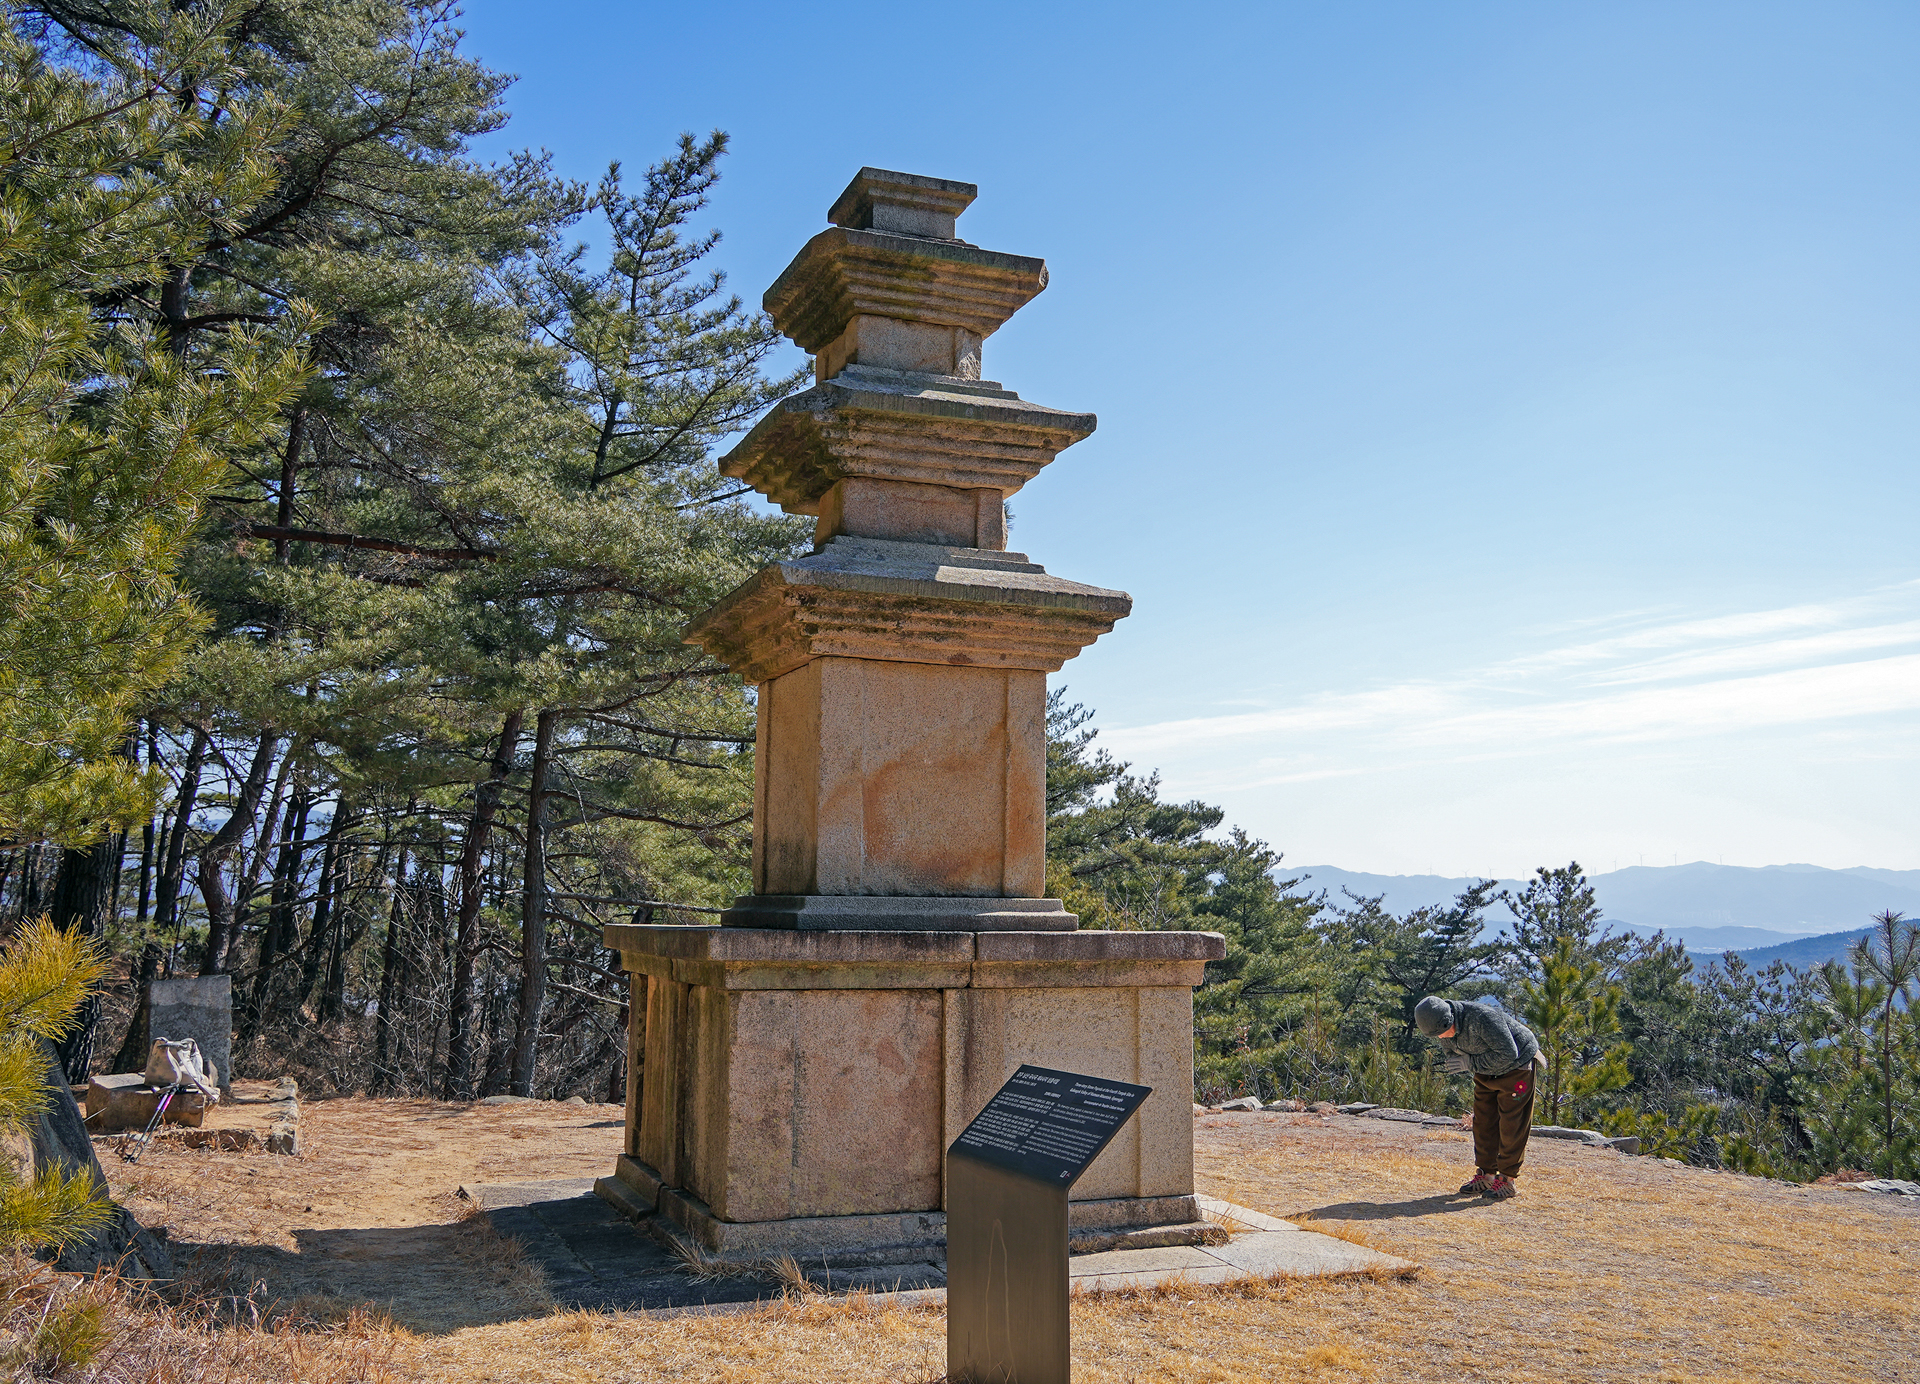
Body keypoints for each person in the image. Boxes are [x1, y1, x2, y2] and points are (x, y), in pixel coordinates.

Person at [1414, 995, 1543, 1201]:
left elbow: (1509, 1053)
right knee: (1483, 1121)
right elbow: (1453, 1055)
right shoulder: (1443, 1029)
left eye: (1441, 1033)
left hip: (1518, 1066)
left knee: (1512, 1124)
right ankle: (1486, 1175)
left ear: (1451, 1020)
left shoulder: (1483, 1018)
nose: (1440, 1038)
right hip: (1485, 1070)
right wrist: (1467, 1062)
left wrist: (1470, 1063)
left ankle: (1507, 1180)